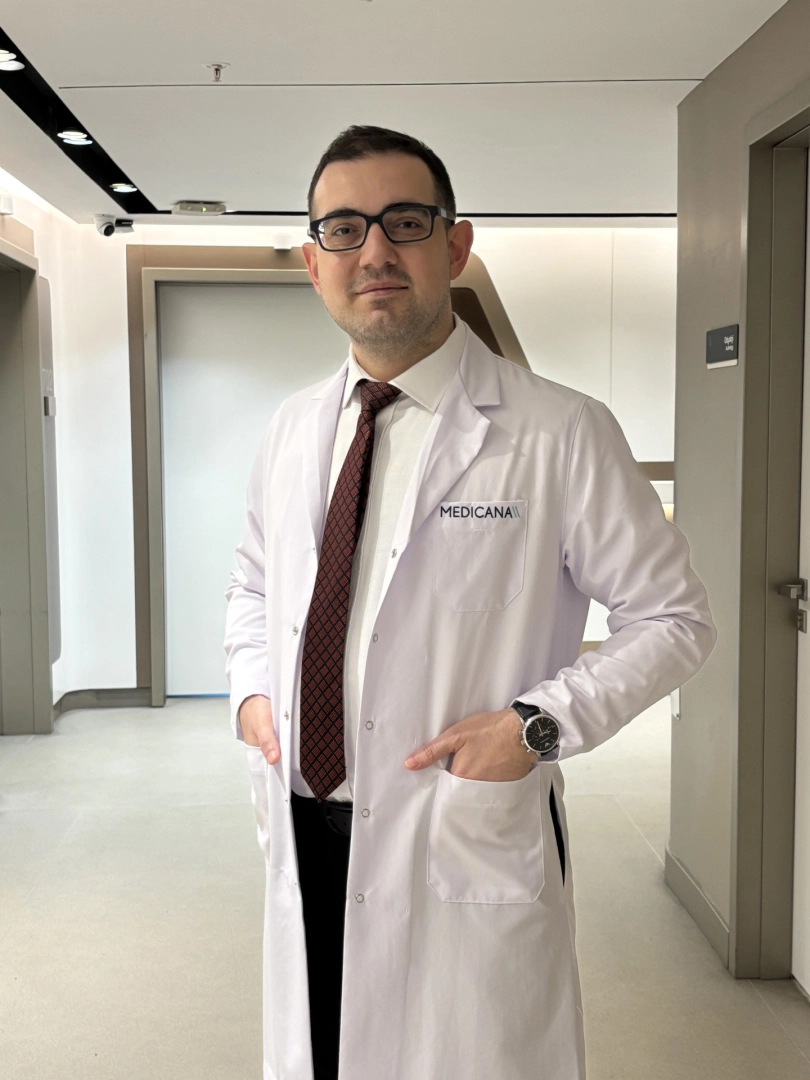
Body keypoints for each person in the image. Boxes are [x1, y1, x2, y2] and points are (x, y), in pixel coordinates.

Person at [223, 124, 716, 1080]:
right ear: (314, 263)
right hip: (304, 820)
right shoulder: (291, 429)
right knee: (322, 1050)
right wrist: (251, 695)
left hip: (456, 826)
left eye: (404, 223)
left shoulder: (559, 430)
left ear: (454, 246)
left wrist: (535, 726)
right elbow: (253, 584)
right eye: (343, 229)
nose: (373, 250)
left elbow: (674, 620)